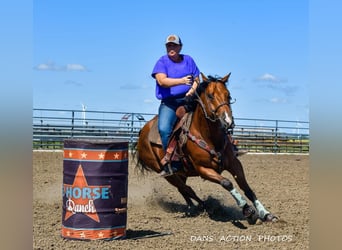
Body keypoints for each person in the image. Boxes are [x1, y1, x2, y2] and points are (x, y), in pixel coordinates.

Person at [151, 34, 200, 177]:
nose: (171, 48)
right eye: (168, 45)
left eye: (174, 45)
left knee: (211, 114)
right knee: (164, 128)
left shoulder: (189, 60)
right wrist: (182, 81)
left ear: (180, 47)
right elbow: (162, 81)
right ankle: (173, 161)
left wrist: (191, 90)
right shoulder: (162, 62)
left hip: (189, 99)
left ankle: (228, 147)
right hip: (170, 103)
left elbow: (197, 79)